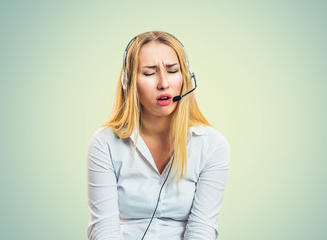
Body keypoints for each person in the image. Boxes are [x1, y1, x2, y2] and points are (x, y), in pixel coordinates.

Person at [86, 31, 231, 240]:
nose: (163, 83)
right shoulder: (104, 143)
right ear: (129, 82)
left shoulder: (212, 145)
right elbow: (103, 230)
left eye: (172, 71)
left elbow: (202, 229)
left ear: (186, 79)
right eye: (149, 73)